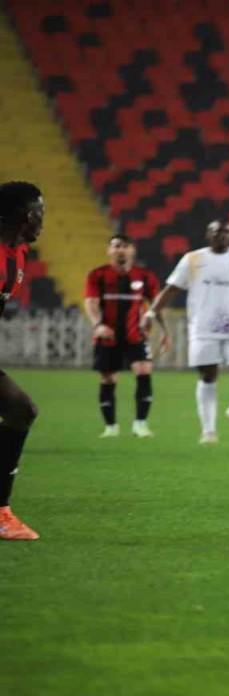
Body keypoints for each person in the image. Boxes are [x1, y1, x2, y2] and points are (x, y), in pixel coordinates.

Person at [144, 219, 229, 444]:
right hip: (202, 327)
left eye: (226, 232)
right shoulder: (192, 259)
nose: (222, 236)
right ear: (208, 235)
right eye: (216, 232)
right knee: (208, 376)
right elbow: (172, 289)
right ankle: (209, 430)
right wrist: (151, 314)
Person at [84, 234, 168, 438]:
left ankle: (140, 423)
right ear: (109, 250)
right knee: (108, 378)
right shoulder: (98, 275)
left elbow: (156, 305)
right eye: (116, 246)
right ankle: (111, 427)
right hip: (108, 336)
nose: (120, 250)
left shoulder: (145, 276)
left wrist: (165, 331)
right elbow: (91, 304)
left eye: (124, 246)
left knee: (144, 371)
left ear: (132, 250)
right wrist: (98, 325)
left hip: (135, 335)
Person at [0, 181, 44, 540]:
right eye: (40, 210)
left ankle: (1, 513)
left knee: (20, 409)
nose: (43, 218)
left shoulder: (18, 255)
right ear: (27, 215)